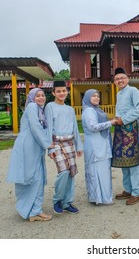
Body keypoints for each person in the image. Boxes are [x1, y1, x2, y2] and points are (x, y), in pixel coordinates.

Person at [6, 88, 53, 222]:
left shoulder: (40, 110)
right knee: (31, 177)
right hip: (28, 147)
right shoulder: (32, 107)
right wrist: (47, 144)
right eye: (37, 95)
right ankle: (32, 210)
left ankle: (34, 210)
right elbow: (35, 127)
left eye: (43, 95)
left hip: (34, 146)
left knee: (37, 177)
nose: (41, 98)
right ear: (31, 98)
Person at [45, 80, 83, 214]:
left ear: (67, 92)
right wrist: (50, 148)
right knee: (63, 172)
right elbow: (49, 127)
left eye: (63, 91)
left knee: (71, 173)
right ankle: (57, 199)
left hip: (70, 143)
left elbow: (75, 128)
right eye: (58, 91)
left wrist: (79, 146)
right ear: (54, 92)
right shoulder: (49, 106)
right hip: (57, 144)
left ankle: (67, 202)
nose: (61, 93)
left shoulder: (70, 109)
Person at [111, 67, 139, 205]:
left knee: (133, 161)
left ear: (127, 79)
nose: (120, 80)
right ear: (114, 82)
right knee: (124, 161)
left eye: (122, 78)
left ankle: (137, 192)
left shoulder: (133, 91)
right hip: (120, 130)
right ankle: (128, 189)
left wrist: (124, 119)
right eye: (117, 79)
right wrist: (117, 119)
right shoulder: (119, 94)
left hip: (131, 130)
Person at [81, 89, 117, 205]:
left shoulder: (97, 110)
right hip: (95, 145)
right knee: (97, 171)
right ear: (87, 98)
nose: (96, 98)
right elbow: (93, 127)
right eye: (93, 96)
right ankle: (100, 198)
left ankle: (102, 197)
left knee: (102, 171)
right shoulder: (89, 111)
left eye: (98, 96)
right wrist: (111, 123)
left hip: (100, 144)